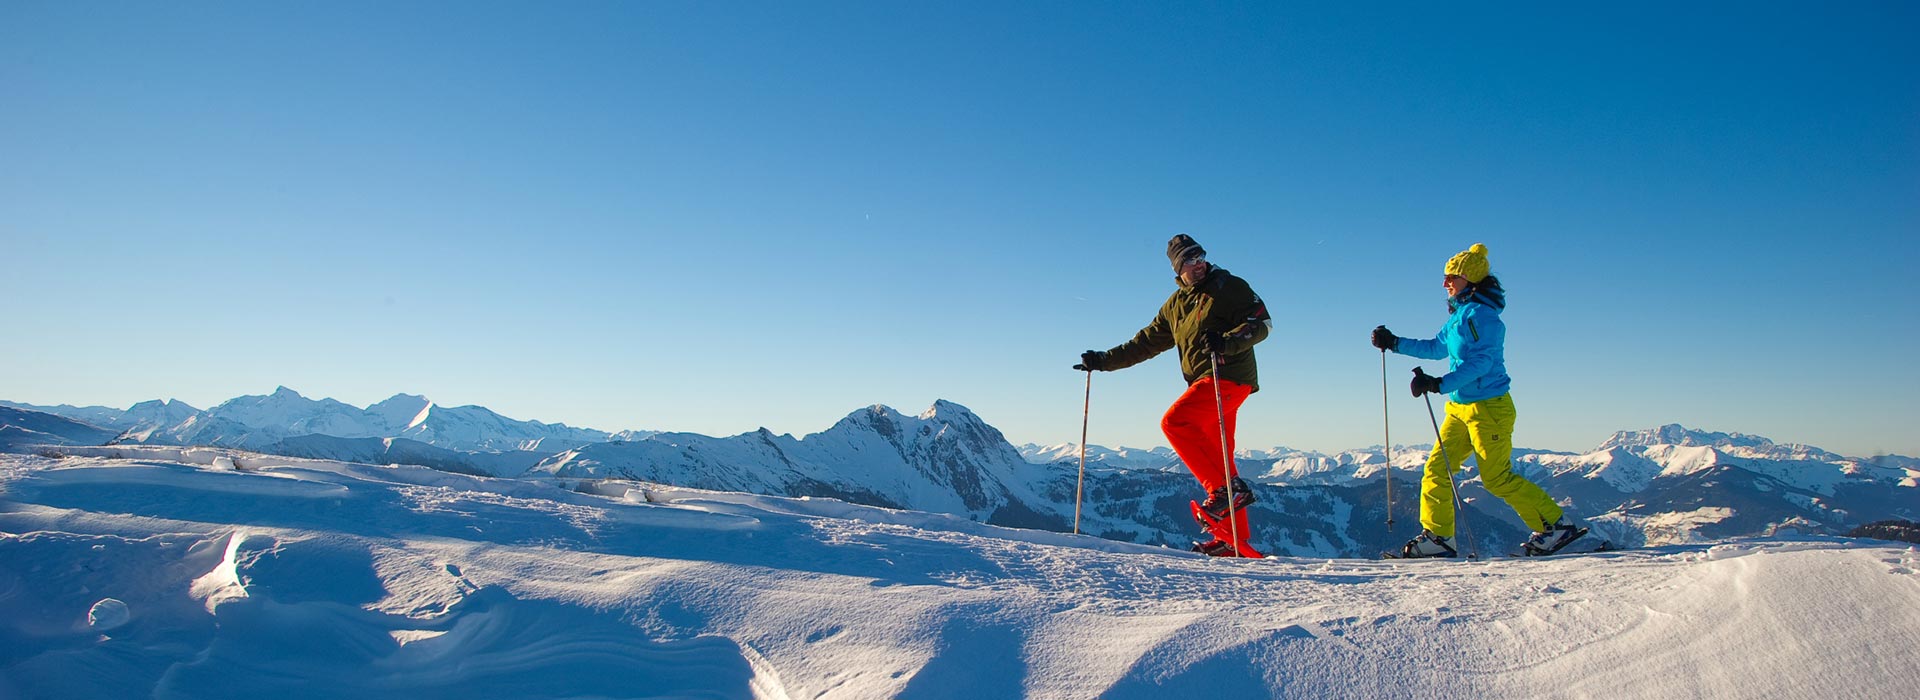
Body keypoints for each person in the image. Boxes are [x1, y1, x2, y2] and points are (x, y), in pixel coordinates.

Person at [1371, 243, 1583, 557]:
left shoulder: (1483, 317)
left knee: (1496, 478)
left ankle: (1556, 525)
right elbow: (1436, 348)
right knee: (1436, 470)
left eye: (1452, 277)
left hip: (1489, 407)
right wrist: (1395, 343)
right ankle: (1439, 537)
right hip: (1460, 407)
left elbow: (1482, 363)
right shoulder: (1460, 316)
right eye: (1446, 277)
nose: (1445, 283)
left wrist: (1440, 383)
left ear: (1471, 279)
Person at [1074, 234, 1272, 556]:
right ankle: (1231, 539)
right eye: (1190, 260)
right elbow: (1144, 343)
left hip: (1229, 376)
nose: (1199, 264)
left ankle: (1225, 493)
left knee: (1175, 422)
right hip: (1206, 382)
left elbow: (1261, 323)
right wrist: (1103, 361)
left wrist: (1227, 342)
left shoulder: (1229, 286)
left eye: (1201, 256)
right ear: (1178, 268)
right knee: (1221, 457)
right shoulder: (1176, 306)